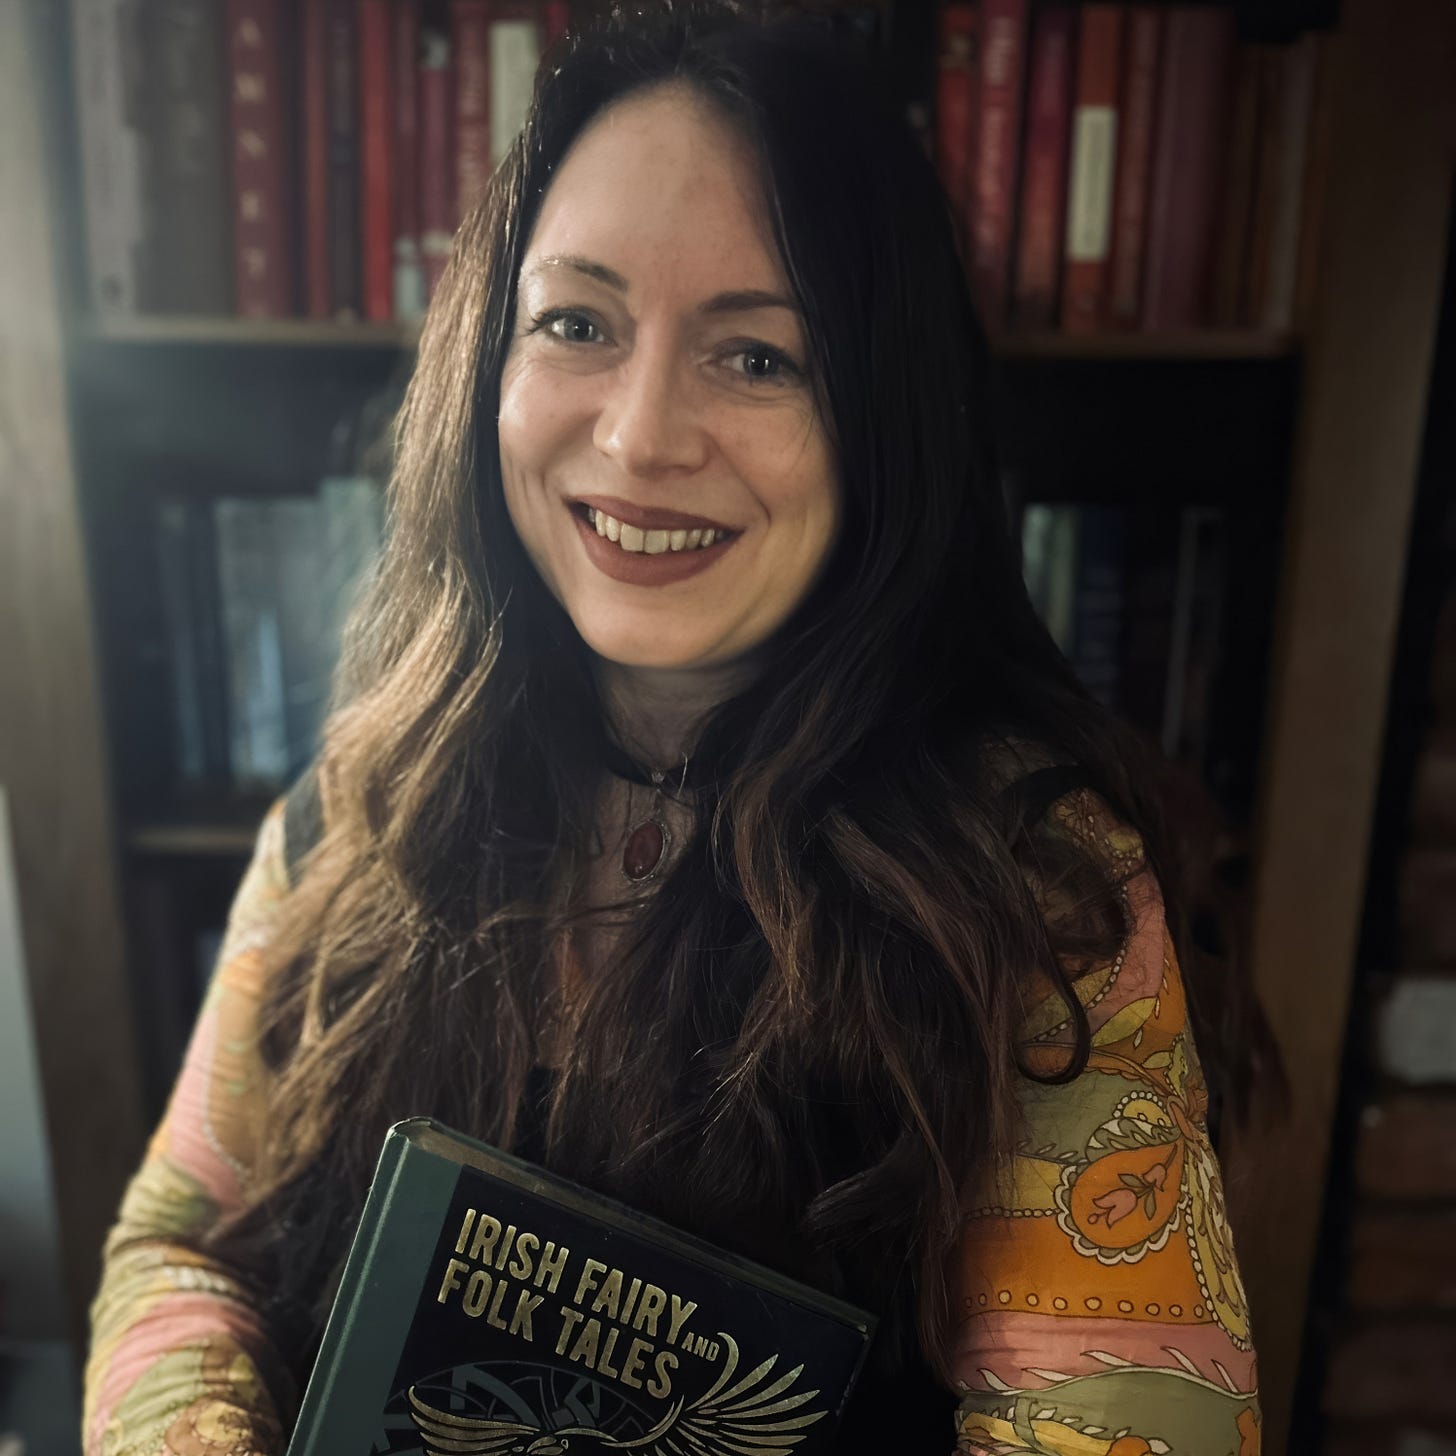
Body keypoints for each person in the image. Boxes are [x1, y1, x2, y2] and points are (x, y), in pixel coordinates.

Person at [82, 3, 1271, 1453]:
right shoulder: (361, 807)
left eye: (758, 357)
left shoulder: (1038, 889)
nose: (641, 437)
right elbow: (180, 1241)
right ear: (487, 366)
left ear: (887, 419)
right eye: (577, 323)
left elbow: (1136, 1421)